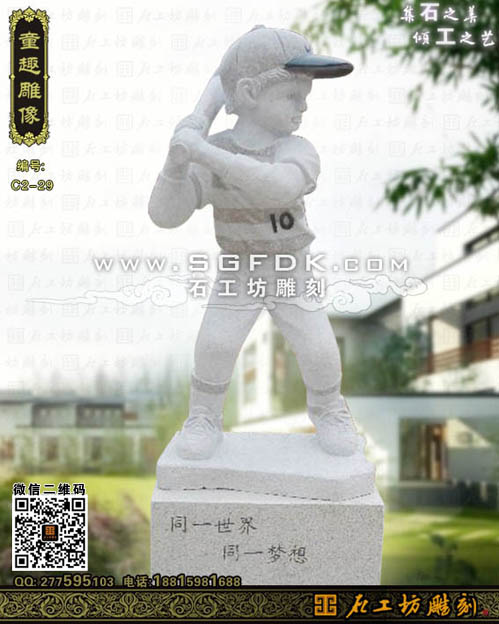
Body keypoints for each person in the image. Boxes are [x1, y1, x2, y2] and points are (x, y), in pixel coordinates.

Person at [148, 25, 363, 460]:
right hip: (238, 266)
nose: (303, 106)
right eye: (292, 95)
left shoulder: (297, 149)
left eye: (305, 96)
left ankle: (329, 410)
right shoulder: (212, 148)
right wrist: (175, 165)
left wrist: (201, 151)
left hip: (290, 265)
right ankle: (203, 416)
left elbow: (277, 187)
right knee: (215, 344)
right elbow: (164, 215)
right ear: (248, 93)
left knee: (318, 347)